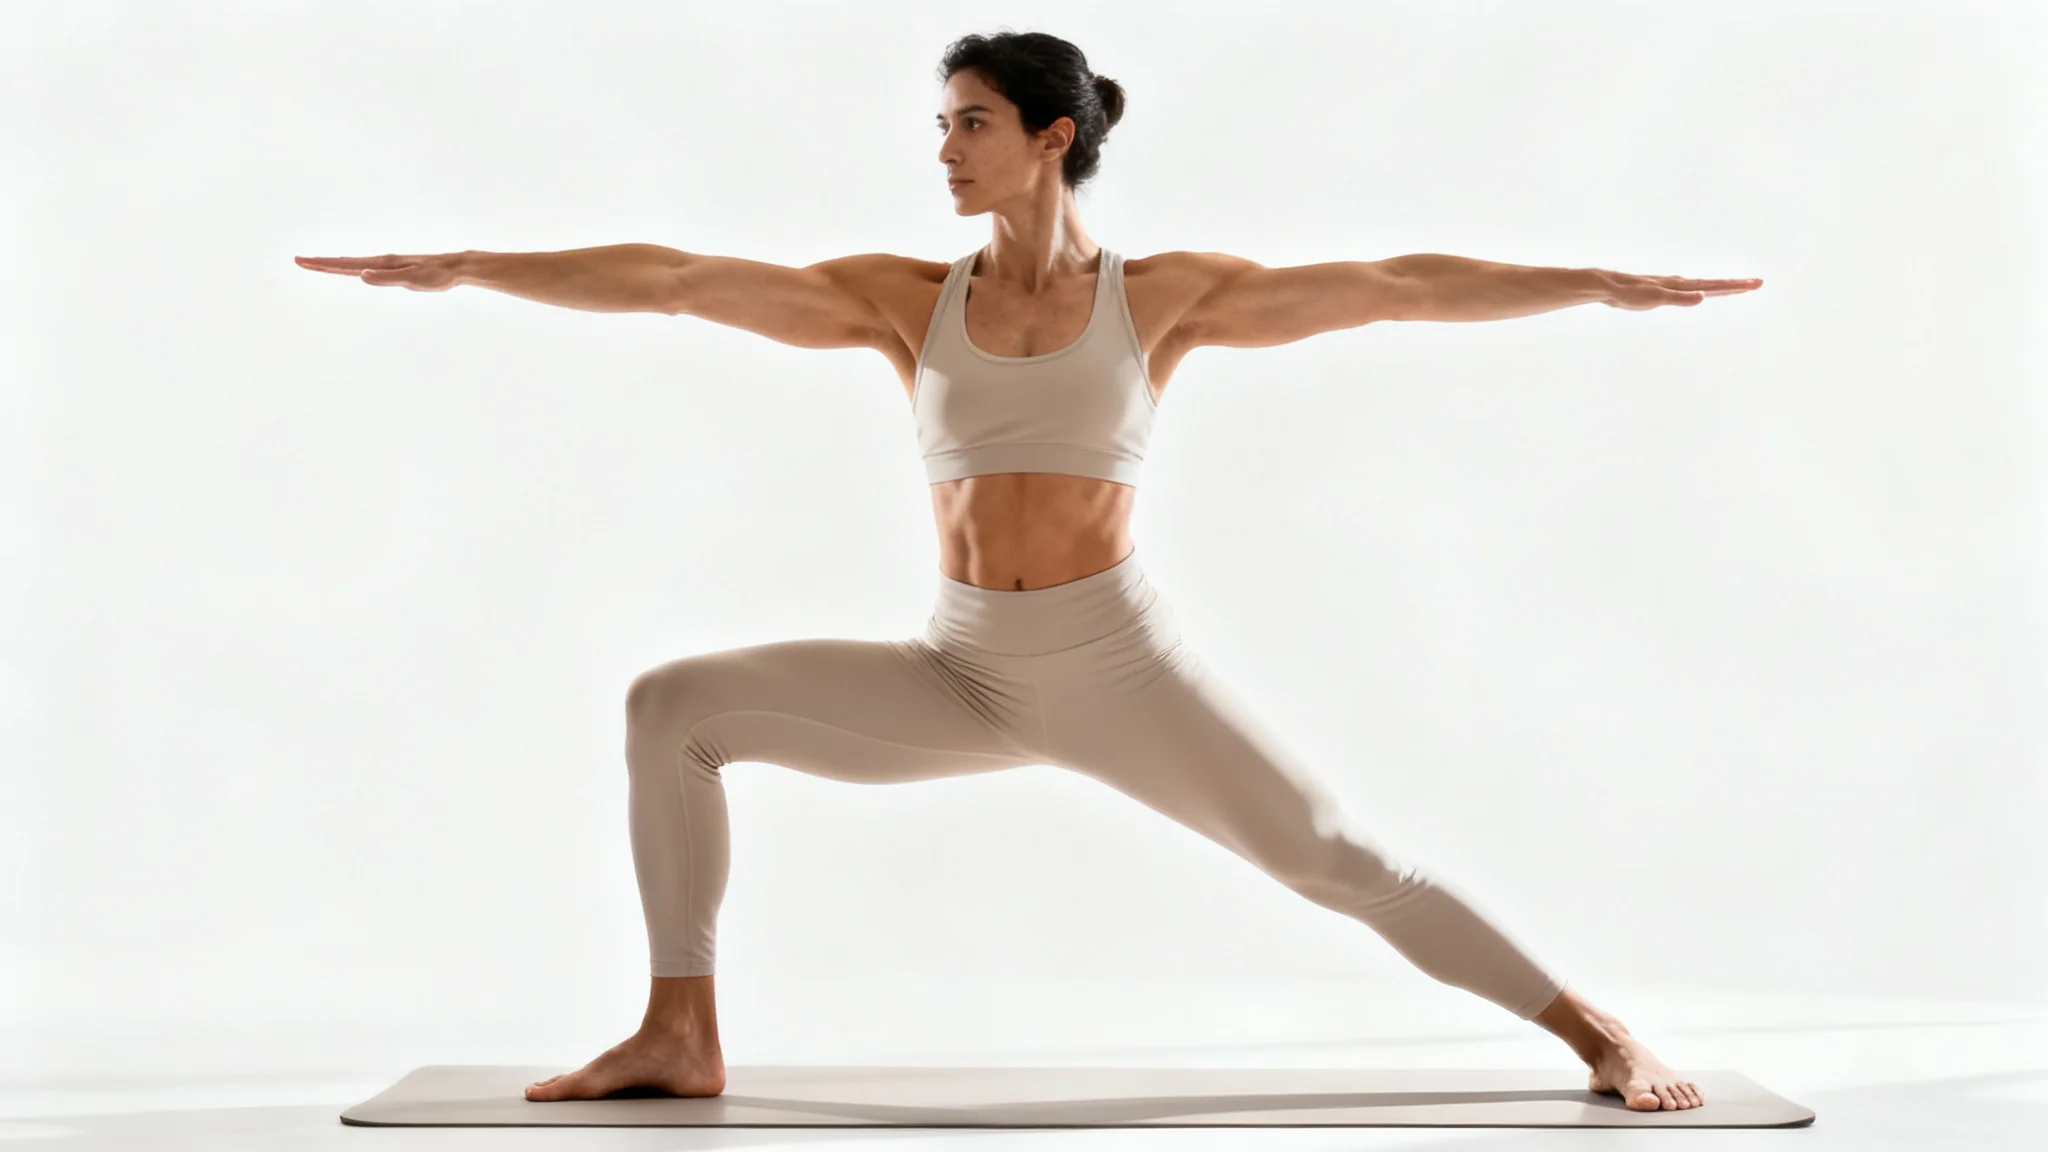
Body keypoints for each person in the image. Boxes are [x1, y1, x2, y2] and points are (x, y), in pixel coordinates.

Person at [298, 30, 1760, 1114]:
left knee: (1336, 861)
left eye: (972, 124)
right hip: (961, 670)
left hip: (1118, 666)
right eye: (940, 125)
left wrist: (1595, 284)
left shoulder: (1160, 299)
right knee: (671, 706)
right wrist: (474, 265)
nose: (944, 149)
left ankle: (1599, 1034)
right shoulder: (902, 301)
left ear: (1053, 137)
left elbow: (1397, 289)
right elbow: (677, 280)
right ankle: (680, 1032)